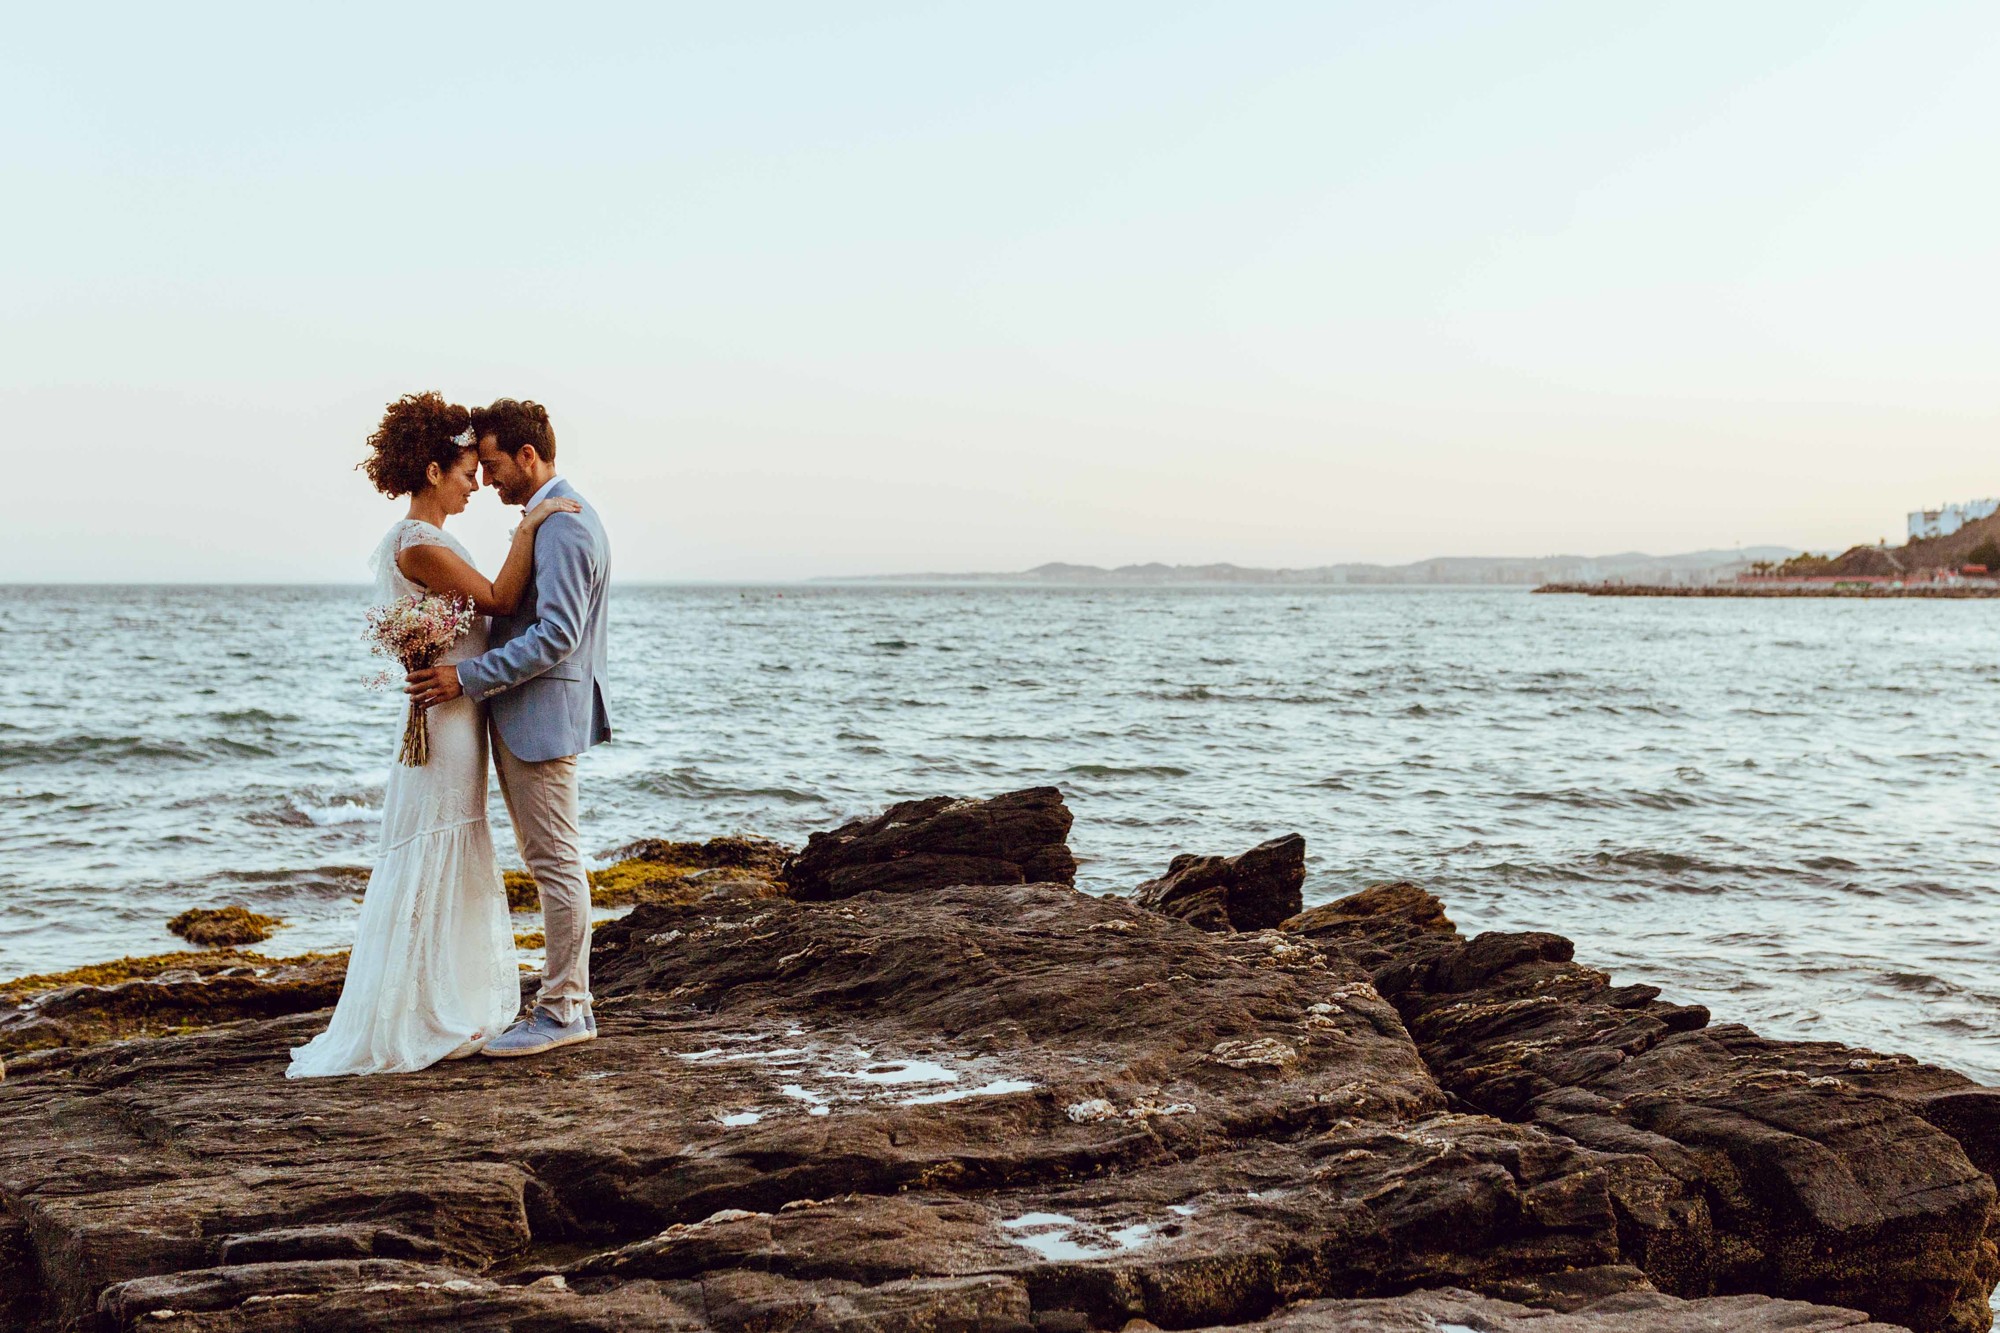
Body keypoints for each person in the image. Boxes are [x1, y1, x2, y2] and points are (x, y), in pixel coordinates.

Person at [289, 392, 580, 1078]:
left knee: (449, 842)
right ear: (432, 471)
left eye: (482, 471)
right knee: (438, 842)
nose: (476, 484)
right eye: (467, 473)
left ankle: (440, 998)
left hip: (454, 711)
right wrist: (534, 522)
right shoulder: (420, 543)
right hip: (446, 719)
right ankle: (420, 1012)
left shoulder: (422, 541)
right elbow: (500, 600)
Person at [406, 398, 613, 1059]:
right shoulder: (545, 522)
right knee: (550, 860)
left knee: (555, 862)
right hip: (529, 714)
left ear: (528, 456)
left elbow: (556, 636)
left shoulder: (565, 526)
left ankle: (565, 1010)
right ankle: (564, 1003)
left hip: (541, 717)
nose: (488, 480)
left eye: (493, 466)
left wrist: (466, 677)